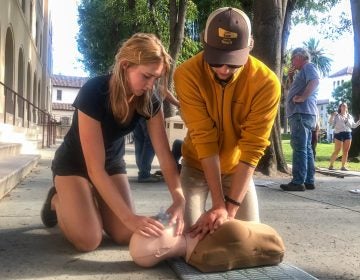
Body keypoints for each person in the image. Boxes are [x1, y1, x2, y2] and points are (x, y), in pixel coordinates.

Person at [40, 33, 185, 252]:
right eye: (146, 76)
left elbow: (164, 156)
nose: (150, 85)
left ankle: (89, 202)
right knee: (89, 239)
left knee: (124, 233)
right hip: (74, 165)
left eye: (156, 79)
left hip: (111, 163)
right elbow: (94, 168)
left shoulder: (149, 100)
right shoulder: (94, 92)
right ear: (125, 66)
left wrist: (179, 198)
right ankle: (58, 200)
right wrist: (129, 217)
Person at [173, 7, 281, 239]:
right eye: (217, 60)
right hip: (197, 165)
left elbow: (253, 146)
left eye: (233, 63)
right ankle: (168, 218)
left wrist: (227, 209)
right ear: (204, 41)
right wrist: (218, 204)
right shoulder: (186, 74)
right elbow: (204, 137)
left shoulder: (267, 83)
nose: (224, 69)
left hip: (236, 168)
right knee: (192, 234)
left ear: (250, 45)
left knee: (245, 238)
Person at [129, 216, 285, 272]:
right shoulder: (204, 257)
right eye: (156, 232)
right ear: (160, 251)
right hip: (272, 243)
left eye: (156, 222)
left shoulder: (194, 235)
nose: (161, 222)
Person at [280, 48, 320, 192]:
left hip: (301, 113)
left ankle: (298, 181)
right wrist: (290, 77)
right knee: (306, 148)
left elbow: (315, 81)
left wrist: (302, 97)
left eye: (292, 59)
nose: (292, 62)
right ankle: (309, 180)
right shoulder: (302, 72)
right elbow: (291, 89)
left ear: (299, 57)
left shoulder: (308, 66)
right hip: (304, 114)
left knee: (299, 148)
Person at [133, 91, 180, 183]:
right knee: (151, 141)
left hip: (137, 107)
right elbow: (164, 90)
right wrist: (178, 103)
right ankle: (144, 174)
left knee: (140, 140)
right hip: (149, 107)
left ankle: (142, 171)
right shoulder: (156, 78)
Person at [328, 103, 360, 171]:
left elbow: (353, 126)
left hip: (348, 133)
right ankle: (331, 165)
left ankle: (343, 166)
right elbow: (331, 124)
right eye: (342, 105)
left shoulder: (349, 116)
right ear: (340, 107)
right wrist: (332, 116)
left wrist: (359, 121)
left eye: (345, 106)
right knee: (337, 150)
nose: (344, 107)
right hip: (339, 134)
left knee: (346, 151)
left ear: (347, 108)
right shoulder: (337, 116)